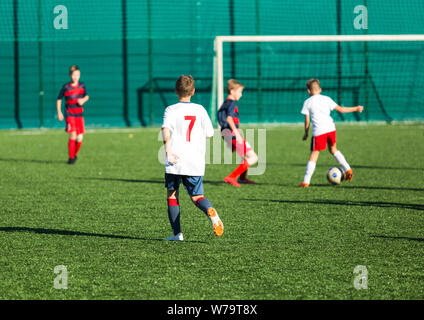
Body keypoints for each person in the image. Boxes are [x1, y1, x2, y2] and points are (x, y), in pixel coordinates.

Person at [161, 75, 223, 241]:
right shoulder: (200, 109)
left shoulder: (171, 109)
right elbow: (210, 134)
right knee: (196, 197)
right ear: (193, 91)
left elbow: (165, 130)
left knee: (172, 195)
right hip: (195, 160)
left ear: (176, 91)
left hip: (174, 160)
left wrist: (168, 149)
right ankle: (210, 210)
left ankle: (177, 234)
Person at [299, 78, 364, 187]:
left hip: (319, 132)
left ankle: (306, 181)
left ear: (308, 91)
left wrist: (306, 133)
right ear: (320, 89)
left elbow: (307, 120)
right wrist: (356, 108)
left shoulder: (307, 102)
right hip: (330, 129)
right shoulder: (327, 99)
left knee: (314, 155)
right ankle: (347, 169)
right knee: (333, 149)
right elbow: (341, 110)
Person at [218, 79, 258, 187]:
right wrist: (236, 133)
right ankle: (231, 177)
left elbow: (221, 118)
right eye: (240, 92)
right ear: (232, 91)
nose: (241, 94)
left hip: (227, 133)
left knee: (245, 155)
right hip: (232, 133)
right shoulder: (232, 103)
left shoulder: (226, 103)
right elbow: (229, 118)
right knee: (253, 157)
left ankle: (242, 178)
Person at [56, 65, 89, 164]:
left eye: (77, 75)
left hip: (79, 115)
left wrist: (83, 100)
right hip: (70, 114)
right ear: (70, 75)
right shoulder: (66, 87)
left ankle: (74, 154)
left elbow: (87, 96)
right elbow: (59, 99)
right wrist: (59, 112)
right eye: (74, 75)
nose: (76, 77)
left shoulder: (82, 86)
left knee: (80, 138)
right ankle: (71, 158)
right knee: (73, 135)